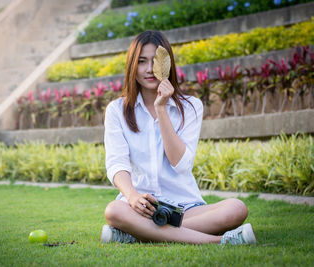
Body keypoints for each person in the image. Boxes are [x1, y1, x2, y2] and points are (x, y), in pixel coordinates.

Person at [101, 30, 257, 245]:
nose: (149, 69)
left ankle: (137, 234)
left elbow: (181, 164)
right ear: (132, 66)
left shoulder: (191, 106)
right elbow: (117, 163)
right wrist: (132, 196)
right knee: (114, 211)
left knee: (236, 208)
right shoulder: (117, 110)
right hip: (140, 209)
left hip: (186, 208)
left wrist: (162, 109)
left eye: (155, 61)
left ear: (167, 64)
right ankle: (218, 241)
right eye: (141, 61)